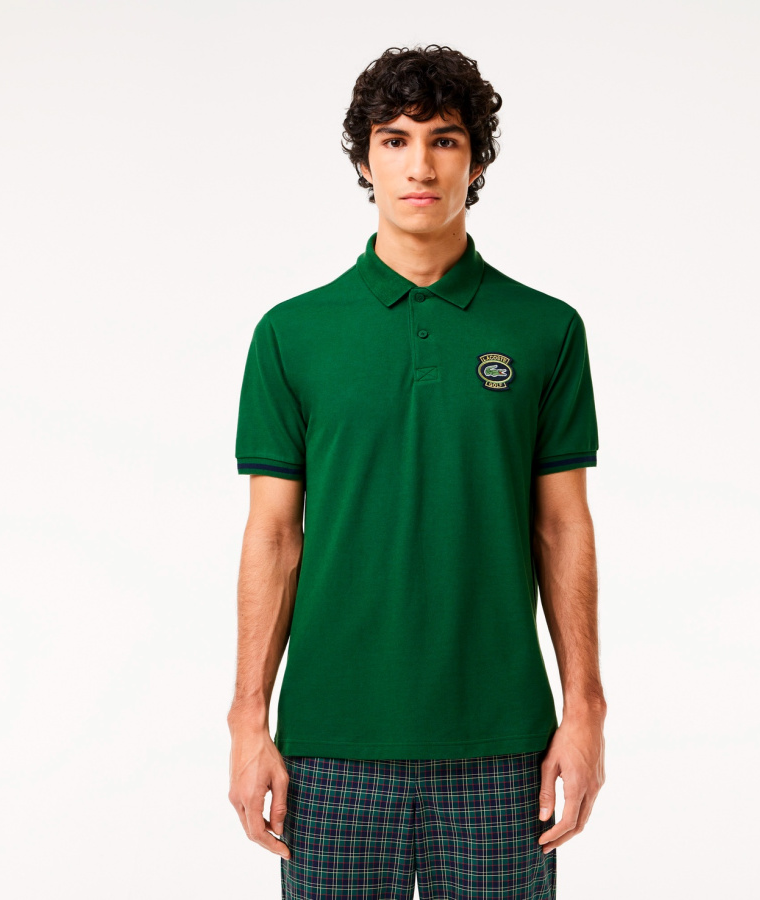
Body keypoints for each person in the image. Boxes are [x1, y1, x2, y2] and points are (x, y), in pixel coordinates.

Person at [227, 43, 606, 900]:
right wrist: (248, 719)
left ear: (477, 161)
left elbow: (562, 526)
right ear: (365, 161)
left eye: (444, 140)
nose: (420, 166)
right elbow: (274, 536)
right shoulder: (292, 334)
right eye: (395, 140)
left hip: (504, 749)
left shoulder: (546, 330)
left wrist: (585, 711)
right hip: (329, 750)